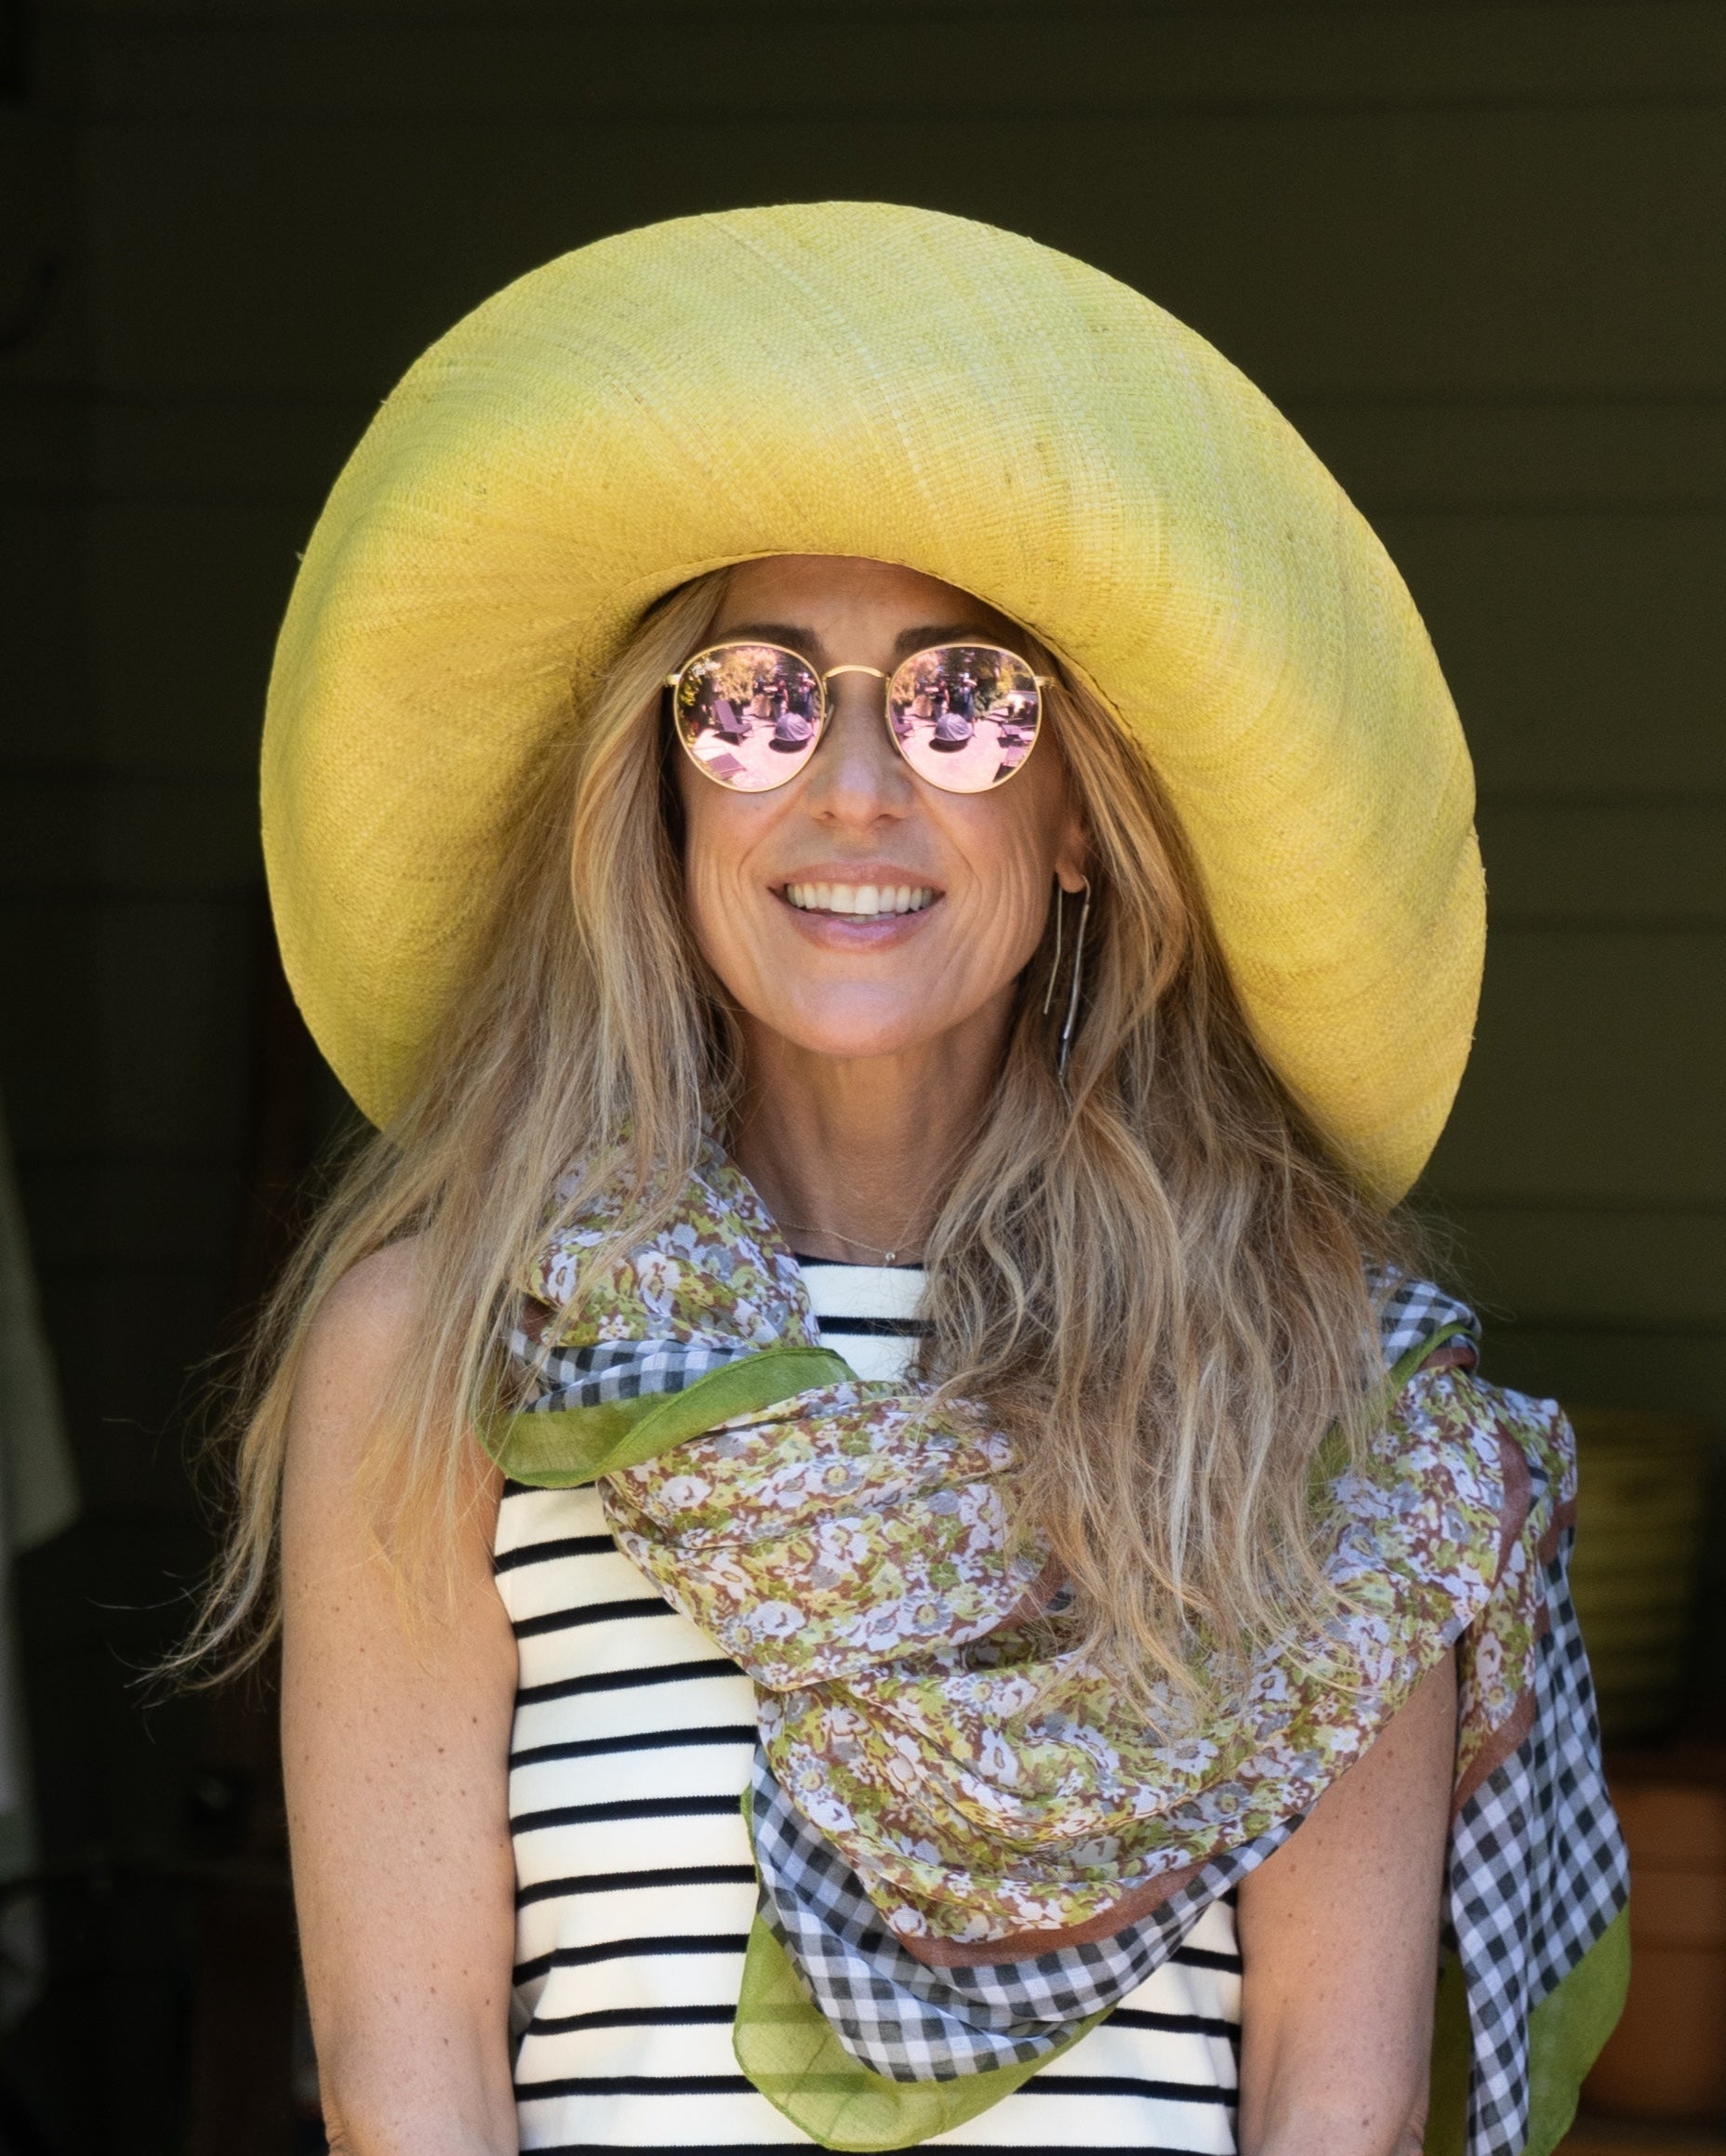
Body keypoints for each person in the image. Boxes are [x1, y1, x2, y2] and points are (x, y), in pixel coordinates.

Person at [203, 205, 1627, 2156]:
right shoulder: (443, 1351)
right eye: (756, 700)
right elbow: (406, 2079)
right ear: (662, 795)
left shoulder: (1313, 1376)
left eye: (967, 703)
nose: (856, 789)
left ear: (1077, 822)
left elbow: (1339, 2099)